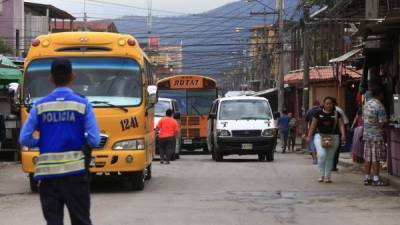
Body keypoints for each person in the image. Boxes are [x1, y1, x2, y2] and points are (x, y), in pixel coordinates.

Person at [19, 58, 100, 225]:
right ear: (73, 76)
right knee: (81, 220)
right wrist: (77, 138)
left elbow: (24, 138)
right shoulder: (83, 104)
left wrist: (44, 141)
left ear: (51, 78)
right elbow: (94, 140)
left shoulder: (39, 106)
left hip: (48, 177)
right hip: (76, 176)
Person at [306, 96, 345, 183]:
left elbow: (341, 125)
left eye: (330, 103)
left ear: (333, 104)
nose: (328, 105)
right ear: (323, 104)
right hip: (319, 136)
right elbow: (312, 125)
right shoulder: (317, 113)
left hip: (334, 137)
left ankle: (327, 176)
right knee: (322, 155)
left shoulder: (337, 114)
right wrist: (309, 136)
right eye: (326, 103)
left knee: (330, 157)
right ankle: (321, 174)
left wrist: (343, 135)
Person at [362, 87, 388, 186]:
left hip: (367, 135)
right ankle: (376, 179)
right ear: (380, 95)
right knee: (376, 158)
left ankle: (367, 178)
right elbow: (382, 121)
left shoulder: (366, 104)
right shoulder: (379, 106)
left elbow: (364, 118)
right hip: (376, 136)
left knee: (368, 158)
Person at [332, 105, 350, 171]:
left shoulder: (338, 112)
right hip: (327, 134)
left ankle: (333, 166)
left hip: (337, 133)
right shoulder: (323, 111)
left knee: (336, 150)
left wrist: (343, 134)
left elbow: (343, 123)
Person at [305, 100, 321, 164]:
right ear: (319, 104)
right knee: (319, 145)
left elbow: (306, 122)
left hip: (312, 131)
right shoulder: (321, 111)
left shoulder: (309, 111)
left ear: (313, 104)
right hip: (320, 131)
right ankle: (318, 157)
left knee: (312, 145)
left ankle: (314, 159)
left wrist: (306, 131)